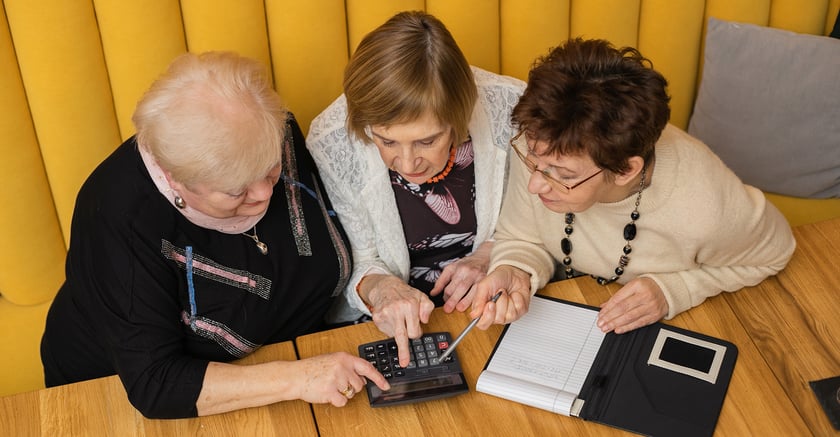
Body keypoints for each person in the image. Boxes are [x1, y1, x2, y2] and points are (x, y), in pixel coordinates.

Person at [40, 51, 388, 419]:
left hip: (297, 375)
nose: (265, 194)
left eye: (271, 171)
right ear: (177, 180)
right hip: (113, 398)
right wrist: (301, 378)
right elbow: (156, 383)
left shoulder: (265, 131)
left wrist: (379, 287)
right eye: (237, 191)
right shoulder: (118, 215)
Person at [468, 38, 796, 334]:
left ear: (625, 170)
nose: (535, 184)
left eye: (563, 176)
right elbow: (522, 235)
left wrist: (676, 290)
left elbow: (775, 253)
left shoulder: (707, 205)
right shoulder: (543, 141)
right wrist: (514, 268)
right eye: (534, 161)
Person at [306, 11, 525, 366]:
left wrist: (493, 254)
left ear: (460, 114)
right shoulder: (334, 140)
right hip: (390, 328)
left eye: (427, 141)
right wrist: (381, 289)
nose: (407, 165)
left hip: (495, 310)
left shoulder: (511, 109)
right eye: (387, 141)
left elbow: (543, 218)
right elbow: (356, 262)